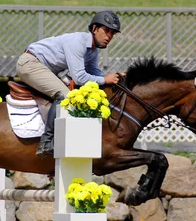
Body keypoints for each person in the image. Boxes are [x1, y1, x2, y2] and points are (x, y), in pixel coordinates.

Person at [16, 10, 122, 157]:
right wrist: (105, 79)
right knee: (66, 96)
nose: (109, 36)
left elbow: (95, 74)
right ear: (94, 28)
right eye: (107, 31)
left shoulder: (92, 50)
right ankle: (46, 142)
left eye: (113, 33)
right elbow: (79, 77)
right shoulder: (78, 42)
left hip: (42, 66)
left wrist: (116, 78)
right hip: (30, 63)